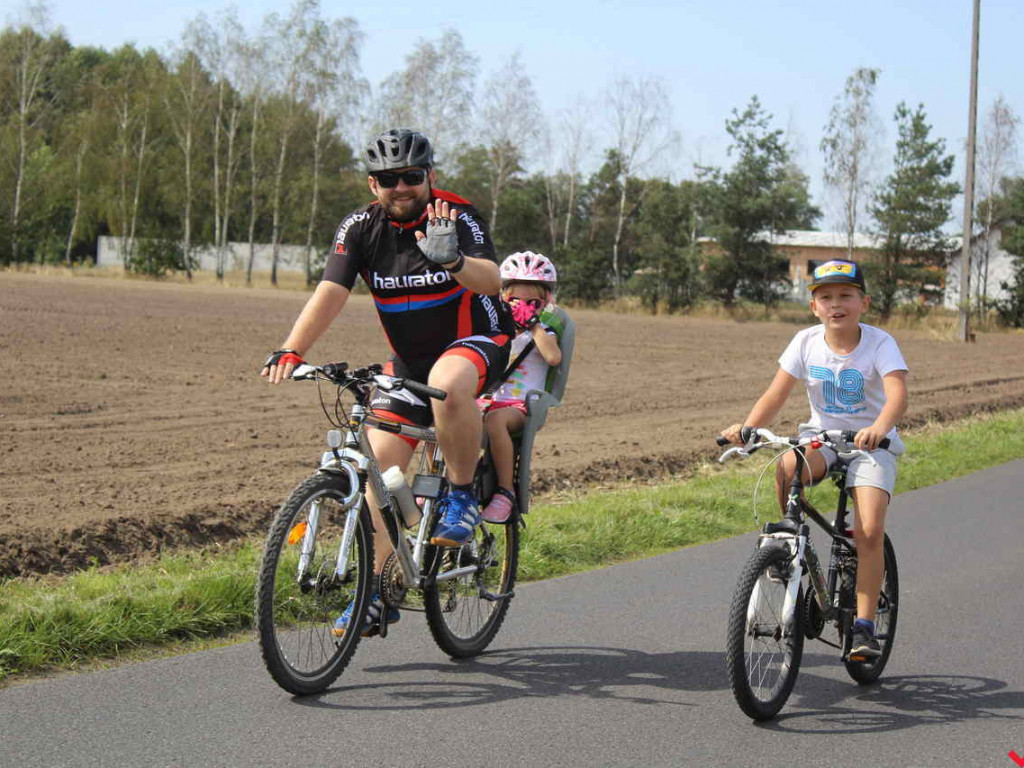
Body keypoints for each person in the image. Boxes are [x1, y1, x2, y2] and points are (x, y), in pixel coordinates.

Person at [261, 128, 514, 637]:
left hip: (478, 340)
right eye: (387, 179)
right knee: (379, 469)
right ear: (372, 184)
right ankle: (380, 589)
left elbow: (495, 281)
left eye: (411, 177)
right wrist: (293, 349)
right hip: (409, 362)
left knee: (448, 380)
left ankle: (461, 495)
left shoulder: (456, 215)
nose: (400, 187)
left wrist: (454, 261)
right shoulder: (359, 228)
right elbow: (331, 290)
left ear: (430, 177)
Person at [720, 259, 908, 659]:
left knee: (869, 530)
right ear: (814, 306)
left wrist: (879, 427)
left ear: (863, 302)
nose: (835, 304)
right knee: (787, 465)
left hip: (871, 445)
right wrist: (749, 428)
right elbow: (777, 393)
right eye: (826, 297)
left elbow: (897, 395)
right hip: (822, 440)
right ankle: (788, 548)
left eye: (846, 295)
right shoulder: (805, 342)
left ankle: (863, 627)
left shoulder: (880, 343)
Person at [478, 251, 563, 524]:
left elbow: (553, 357)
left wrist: (533, 324)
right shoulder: (498, 330)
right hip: (490, 400)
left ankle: (506, 491)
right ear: (503, 299)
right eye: (515, 301)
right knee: (448, 413)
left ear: (545, 303)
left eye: (533, 303)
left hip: (519, 407)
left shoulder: (542, 334)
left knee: (495, 421)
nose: (523, 306)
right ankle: (446, 483)